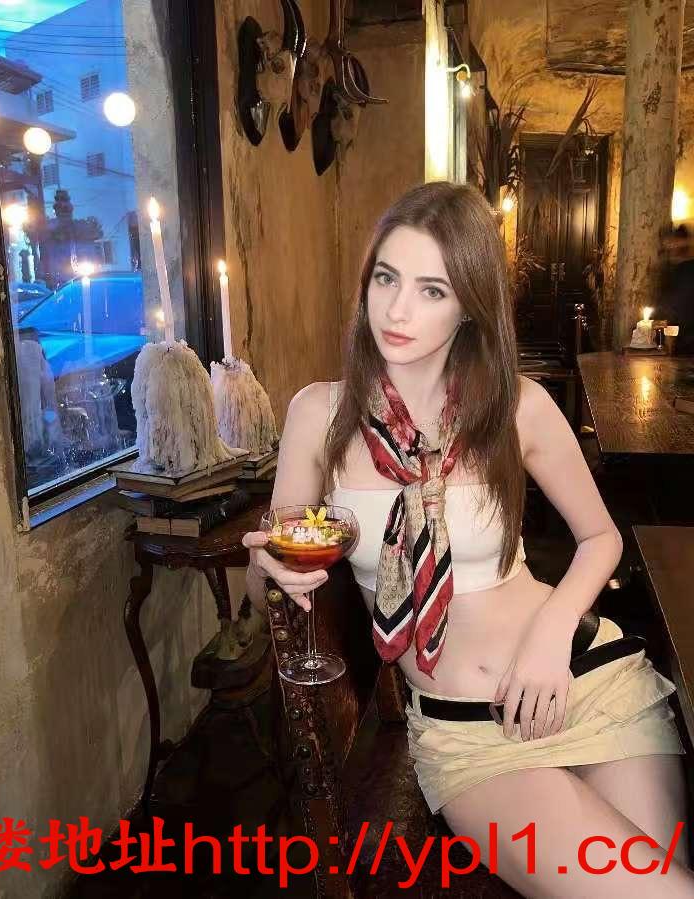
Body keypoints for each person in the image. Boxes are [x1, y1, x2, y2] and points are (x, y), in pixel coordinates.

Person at [242, 182, 693, 895]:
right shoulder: (319, 415)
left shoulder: (518, 407)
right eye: (386, 279)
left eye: (432, 290)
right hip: (470, 734)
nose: (397, 310)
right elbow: (268, 575)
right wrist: (271, 569)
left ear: (470, 306)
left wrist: (550, 634)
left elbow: (601, 538)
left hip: (587, 680)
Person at [660, 223, 694, 354]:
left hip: (686, 342)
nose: (670, 246)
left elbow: (677, 308)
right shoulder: (671, 270)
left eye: (673, 241)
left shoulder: (686, 271)